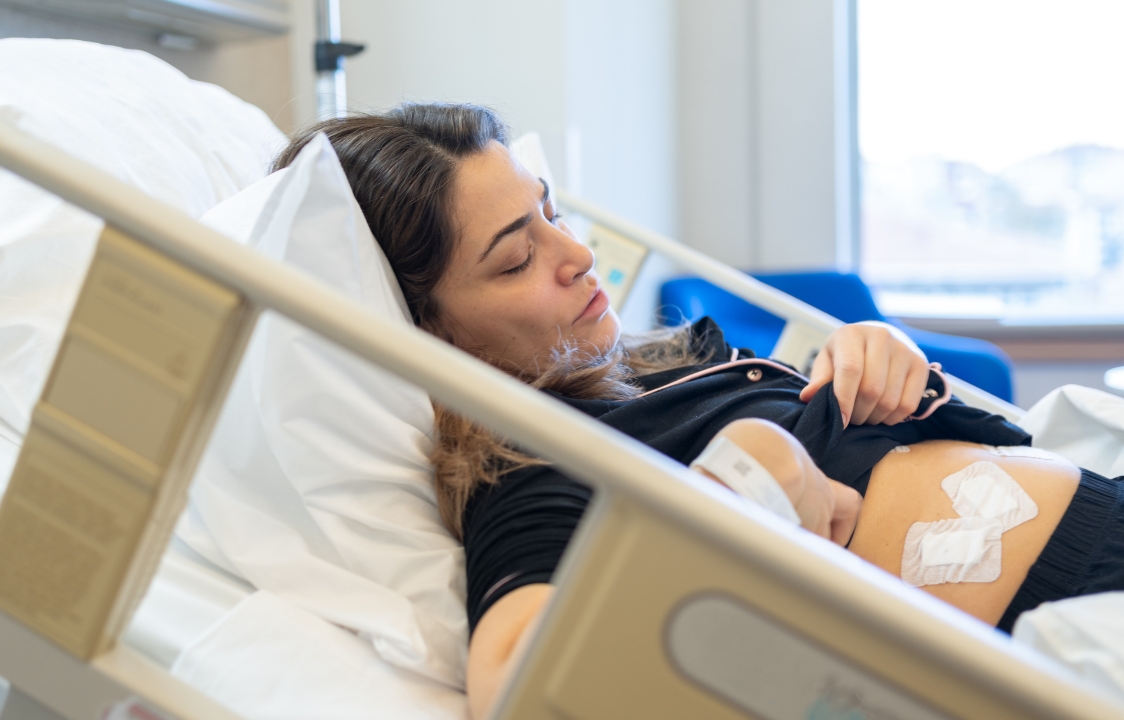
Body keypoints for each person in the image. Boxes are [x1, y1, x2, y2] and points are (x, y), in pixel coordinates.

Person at [274, 104, 1123, 719]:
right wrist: (760, 479)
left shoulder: (677, 367)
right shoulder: (543, 464)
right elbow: (517, 685)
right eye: (515, 259)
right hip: (1063, 618)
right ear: (430, 338)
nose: (575, 255)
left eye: (552, 213)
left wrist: (886, 361)